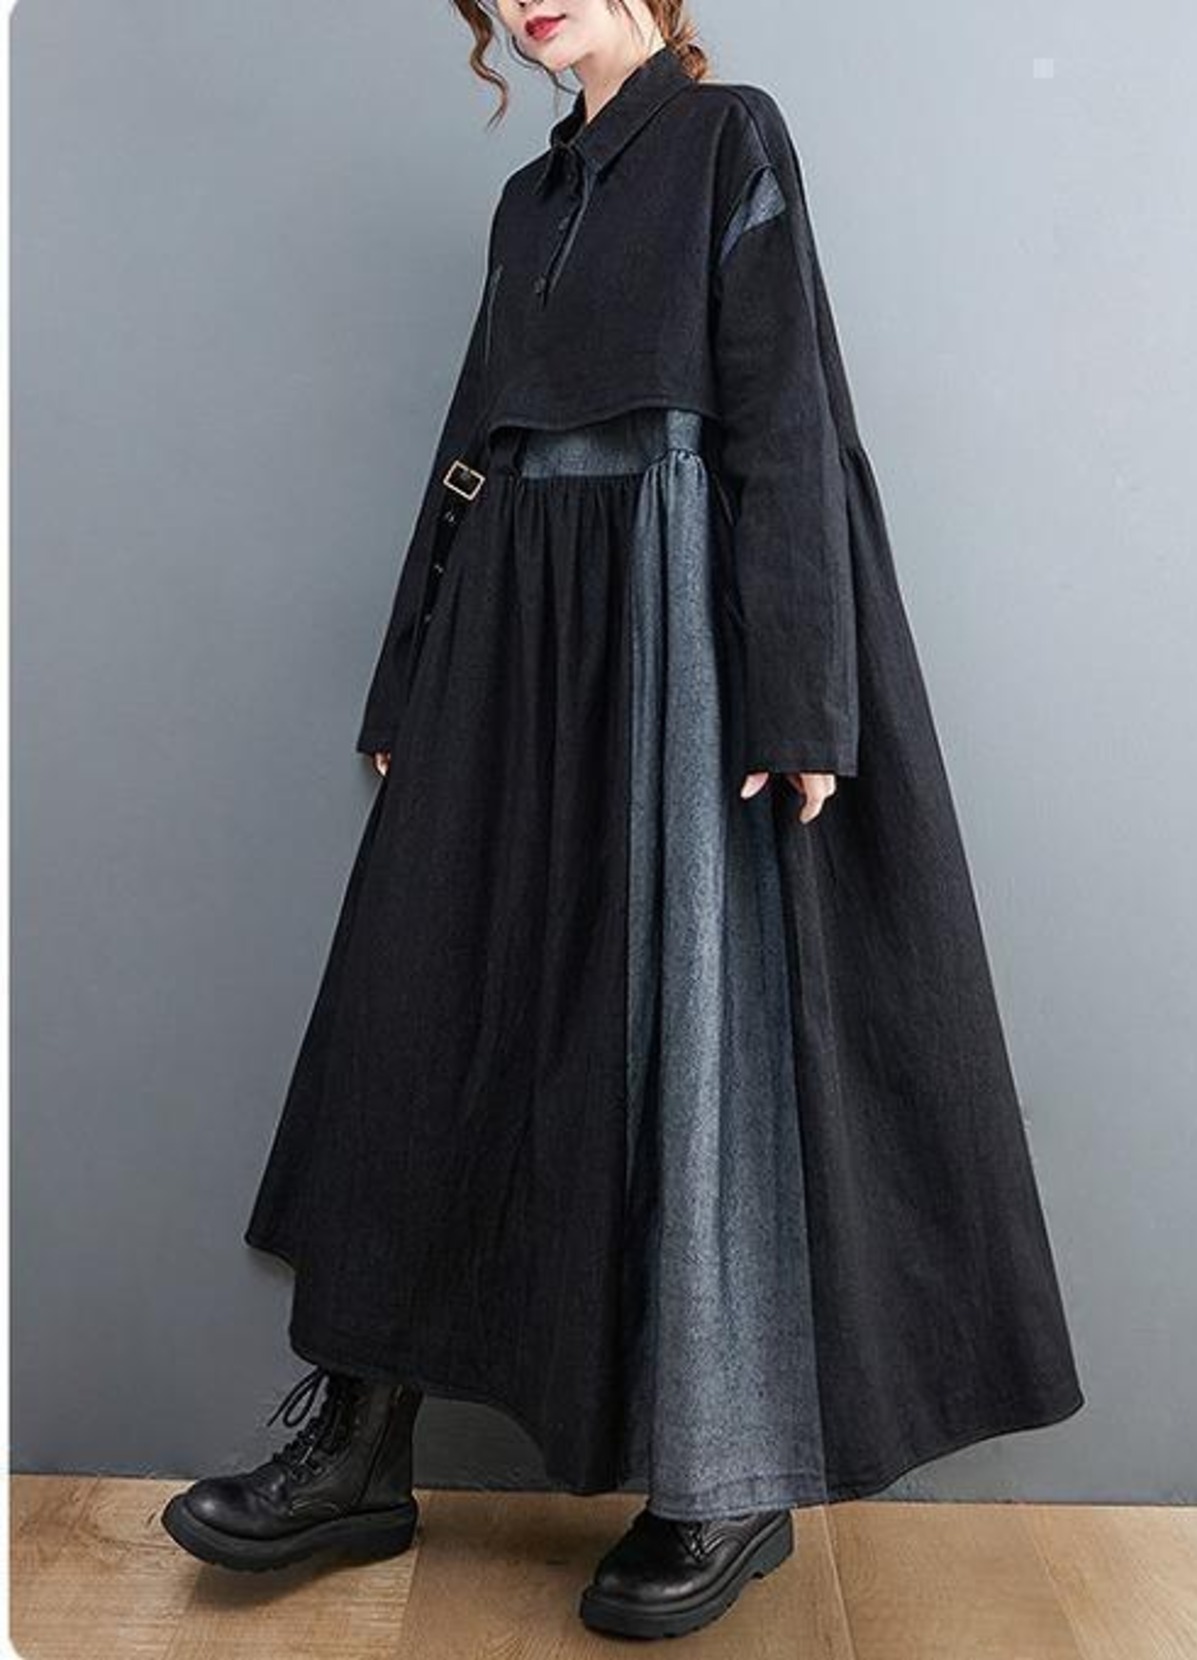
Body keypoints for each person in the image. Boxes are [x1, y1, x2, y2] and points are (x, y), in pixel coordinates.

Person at [161, 0, 1085, 1642]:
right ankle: (358, 1446)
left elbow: (787, 413)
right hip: (513, 624)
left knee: (695, 1026)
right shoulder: (528, 201)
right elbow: (470, 445)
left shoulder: (730, 135)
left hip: (673, 620)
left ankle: (723, 1477)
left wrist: (803, 693)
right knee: (427, 1003)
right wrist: (407, 680)